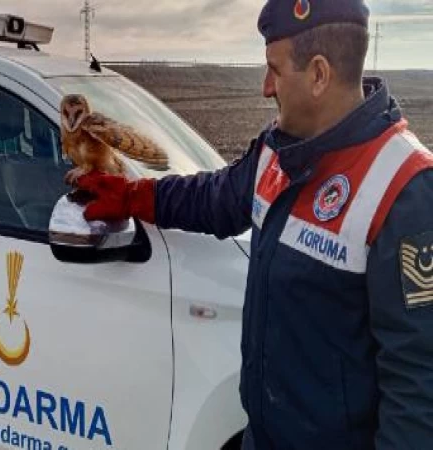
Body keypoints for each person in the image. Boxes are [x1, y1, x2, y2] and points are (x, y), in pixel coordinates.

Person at [74, 0, 433, 448]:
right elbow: (215, 198)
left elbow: (419, 386)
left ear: (318, 75)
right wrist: (134, 196)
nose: (265, 88)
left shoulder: (403, 188)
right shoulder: (279, 152)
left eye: (274, 70)